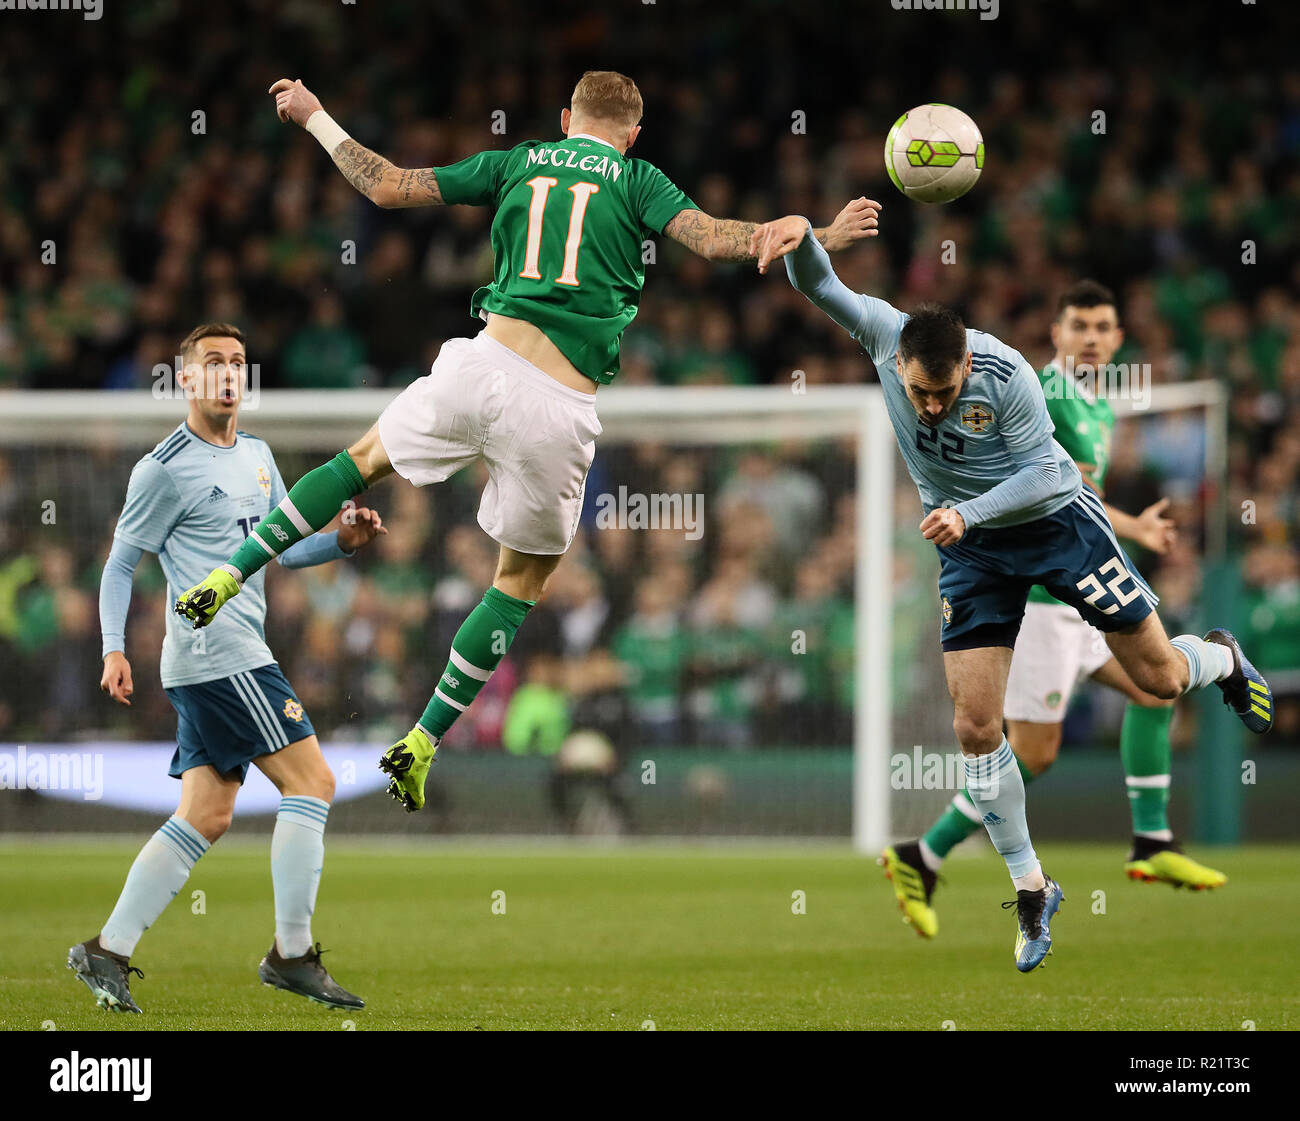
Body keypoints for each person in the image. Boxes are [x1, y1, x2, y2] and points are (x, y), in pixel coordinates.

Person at [173, 71, 875, 815]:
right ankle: (422, 739)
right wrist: (818, 235)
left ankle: (229, 573)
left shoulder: (516, 160)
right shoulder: (640, 178)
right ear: (632, 134)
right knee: (518, 583)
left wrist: (316, 116)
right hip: (560, 404)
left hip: (482, 362)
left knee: (359, 462)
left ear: (566, 117)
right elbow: (720, 241)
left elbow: (384, 185)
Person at [753, 214, 1273, 971]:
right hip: (972, 552)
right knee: (974, 726)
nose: (930, 407)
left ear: (966, 364)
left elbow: (1041, 477)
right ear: (899, 361)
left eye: (944, 392)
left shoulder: (1008, 376)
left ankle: (1221, 658)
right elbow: (820, 284)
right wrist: (805, 234)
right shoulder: (882, 334)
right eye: (919, 393)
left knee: (1158, 678)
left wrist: (965, 511)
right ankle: (1033, 888)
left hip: (1058, 524)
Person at [889, 280, 1228, 941]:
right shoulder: (1050, 392)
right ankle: (924, 853)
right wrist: (1132, 527)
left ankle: (1152, 838)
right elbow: (1059, 484)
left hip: (1073, 596)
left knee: (1155, 689)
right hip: (1045, 598)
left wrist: (1128, 528)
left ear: (1119, 338)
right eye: (1080, 326)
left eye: (1104, 326)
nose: (1093, 338)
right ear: (1057, 333)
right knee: (1034, 753)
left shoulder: (1099, 404)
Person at [72, 323, 385, 1014]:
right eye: (212, 362)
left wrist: (341, 541)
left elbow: (279, 550)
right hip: (218, 653)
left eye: (238, 362)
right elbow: (121, 562)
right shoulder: (163, 466)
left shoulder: (259, 455)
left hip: (225, 655)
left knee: (208, 812)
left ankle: (107, 948)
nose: (227, 372)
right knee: (314, 781)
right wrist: (112, 646)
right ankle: (292, 953)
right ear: (185, 379)